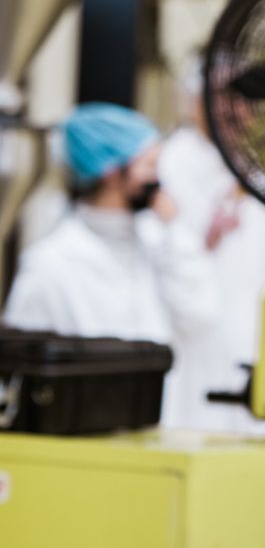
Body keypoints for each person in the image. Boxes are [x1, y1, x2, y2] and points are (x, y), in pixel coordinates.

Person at [3, 103, 217, 422]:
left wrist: (174, 232)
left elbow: (201, 317)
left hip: (158, 431)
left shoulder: (156, 245)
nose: (158, 180)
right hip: (87, 445)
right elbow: (17, 372)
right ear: (111, 172)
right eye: (149, 165)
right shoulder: (51, 264)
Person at [158, 58, 265, 433]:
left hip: (250, 337)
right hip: (190, 341)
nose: (238, 111)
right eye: (224, 100)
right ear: (193, 103)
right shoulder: (169, 166)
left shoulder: (260, 175)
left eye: (246, 100)